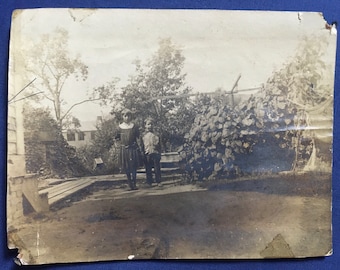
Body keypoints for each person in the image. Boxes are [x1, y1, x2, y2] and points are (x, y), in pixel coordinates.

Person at [115, 109, 140, 190]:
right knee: (127, 167)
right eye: (125, 116)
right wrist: (119, 146)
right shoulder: (119, 127)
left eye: (128, 115)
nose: (127, 118)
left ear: (131, 116)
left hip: (132, 149)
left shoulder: (134, 126)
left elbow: (138, 137)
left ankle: (134, 183)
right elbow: (116, 138)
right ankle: (130, 184)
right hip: (124, 149)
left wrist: (137, 146)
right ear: (122, 117)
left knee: (133, 167)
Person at [142, 117, 161, 186]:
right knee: (148, 168)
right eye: (148, 124)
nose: (150, 126)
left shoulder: (156, 135)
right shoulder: (143, 135)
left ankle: (158, 181)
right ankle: (149, 182)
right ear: (145, 125)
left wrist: (159, 153)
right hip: (147, 153)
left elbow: (159, 144)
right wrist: (143, 153)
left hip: (155, 153)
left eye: (151, 124)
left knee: (157, 168)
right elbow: (142, 145)